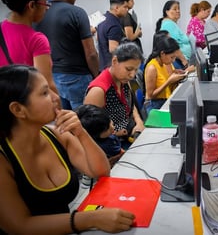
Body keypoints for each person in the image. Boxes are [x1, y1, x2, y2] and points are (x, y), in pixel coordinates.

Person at [0, 64, 135, 234]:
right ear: (18, 109)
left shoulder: (57, 135)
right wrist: (90, 218)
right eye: (44, 93)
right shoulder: (3, 159)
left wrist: (81, 132)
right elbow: (18, 226)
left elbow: (100, 171)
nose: (56, 97)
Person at [35, 0, 99, 110]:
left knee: (64, 124)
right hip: (78, 78)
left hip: (51, 78)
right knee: (85, 122)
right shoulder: (77, 13)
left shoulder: (39, 13)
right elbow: (91, 53)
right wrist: (96, 76)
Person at [0, 0, 58, 96]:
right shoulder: (36, 40)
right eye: (45, 4)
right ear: (32, 5)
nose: (47, 9)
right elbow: (46, 85)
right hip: (27, 106)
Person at [84, 42, 145, 150]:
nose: (132, 75)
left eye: (136, 70)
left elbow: (130, 104)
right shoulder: (99, 91)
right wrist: (114, 134)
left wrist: (138, 121)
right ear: (115, 61)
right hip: (110, 145)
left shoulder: (126, 80)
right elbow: (89, 132)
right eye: (129, 69)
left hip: (128, 134)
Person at [143, 33, 187, 114]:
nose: (173, 61)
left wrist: (176, 76)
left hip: (164, 100)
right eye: (171, 57)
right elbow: (150, 95)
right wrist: (169, 82)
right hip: (154, 105)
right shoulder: (152, 67)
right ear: (162, 53)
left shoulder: (163, 63)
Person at [155, 0, 191, 70]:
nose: (178, 11)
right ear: (167, 12)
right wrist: (184, 61)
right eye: (174, 9)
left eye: (178, 9)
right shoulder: (169, 24)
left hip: (178, 61)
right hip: (177, 62)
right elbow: (174, 46)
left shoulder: (171, 23)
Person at [97, 0, 129, 71]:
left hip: (102, 65)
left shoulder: (103, 19)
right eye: (125, 7)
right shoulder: (114, 25)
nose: (127, 10)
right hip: (111, 68)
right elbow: (113, 49)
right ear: (116, 8)